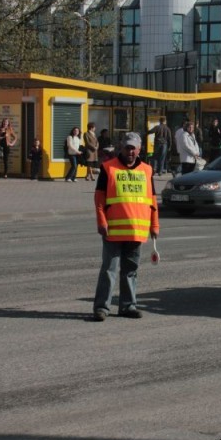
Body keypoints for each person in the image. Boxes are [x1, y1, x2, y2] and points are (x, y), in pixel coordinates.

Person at [92, 132, 160, 321]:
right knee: (109, 270)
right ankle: (101, 307)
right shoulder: (108, 168)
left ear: (139, 149)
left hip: (136, 230)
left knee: (130, 271)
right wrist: (101, 221)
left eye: (134, 148)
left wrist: (155, 224)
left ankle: (128, 306)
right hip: (112, 230)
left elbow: (153, 200)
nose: (130, 151)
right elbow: (99, 199)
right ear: (121, 147)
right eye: (127, 147)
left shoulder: (147, 170)